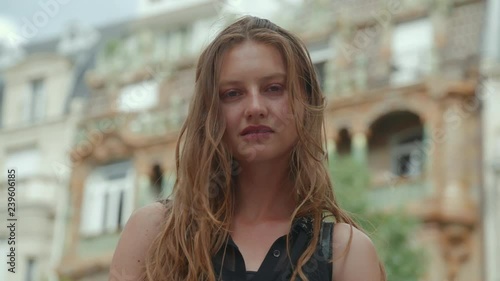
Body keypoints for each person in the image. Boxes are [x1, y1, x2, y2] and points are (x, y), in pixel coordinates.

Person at [109, 15, 385, 281]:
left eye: (274, 88)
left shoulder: (344, 253)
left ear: (307, 104)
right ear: (210, 114)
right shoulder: (156, 232)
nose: (254, 107)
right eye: (233, 93)